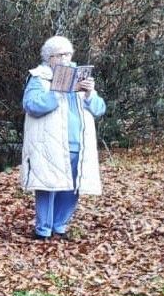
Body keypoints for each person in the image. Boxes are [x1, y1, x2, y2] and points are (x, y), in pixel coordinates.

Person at [21, 35, 106, 240]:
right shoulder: (39, 78)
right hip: (50, 144)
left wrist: (90, 94)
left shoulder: (81, 77)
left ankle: (59, 226)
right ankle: (43, 230)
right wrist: (56, 92)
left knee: (73, 187)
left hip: (78, 144)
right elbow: (31, 105)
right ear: (49, 58)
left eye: (68, 54)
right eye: (60, 55)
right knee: (49, 185)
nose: (66, 58)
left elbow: (100, 109)